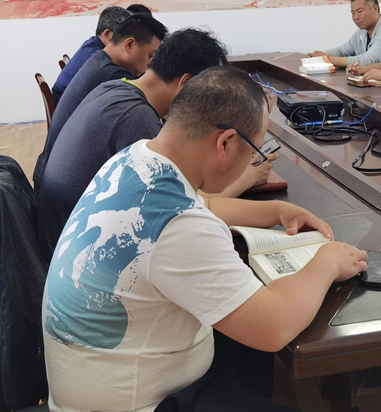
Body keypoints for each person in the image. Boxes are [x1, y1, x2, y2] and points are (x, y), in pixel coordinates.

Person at [42, 66, 368, 412]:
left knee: (244, 344)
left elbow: (203, 204)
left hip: (102, 381)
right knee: (260, 330)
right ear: (225, 143)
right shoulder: (178, 224)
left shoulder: (137, 157)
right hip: (139, 406)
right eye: (254, 152)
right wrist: (328, 261)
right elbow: (274, 326)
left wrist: (277, 210)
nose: (253, 161)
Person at [36, 29, 276, 264]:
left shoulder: (117, 87)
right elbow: (190, 207)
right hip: (73, 255)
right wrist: (248, 177)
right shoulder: (137, 120)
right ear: (187, 83)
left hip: (58, 237)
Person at [32, 14, 167, 190]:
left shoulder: (99, 60)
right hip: (61, 189)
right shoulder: (114, 77)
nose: (150, 63)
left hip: (51, 175)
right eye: (150, 55)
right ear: (129, 44)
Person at [52, 4, 152, 102]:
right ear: (108, 34)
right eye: (126, 35)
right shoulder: (98, 60)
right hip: (71, 107)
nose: (129, 43)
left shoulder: (92, 44)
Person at [307, 0, 381, 68]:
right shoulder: (361, 31)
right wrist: (323, 55)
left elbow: (366, 61)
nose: (356, 17)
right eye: (353, 13)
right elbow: (342, 51)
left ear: (375, 9)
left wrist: (325, 59)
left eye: (359, 11)